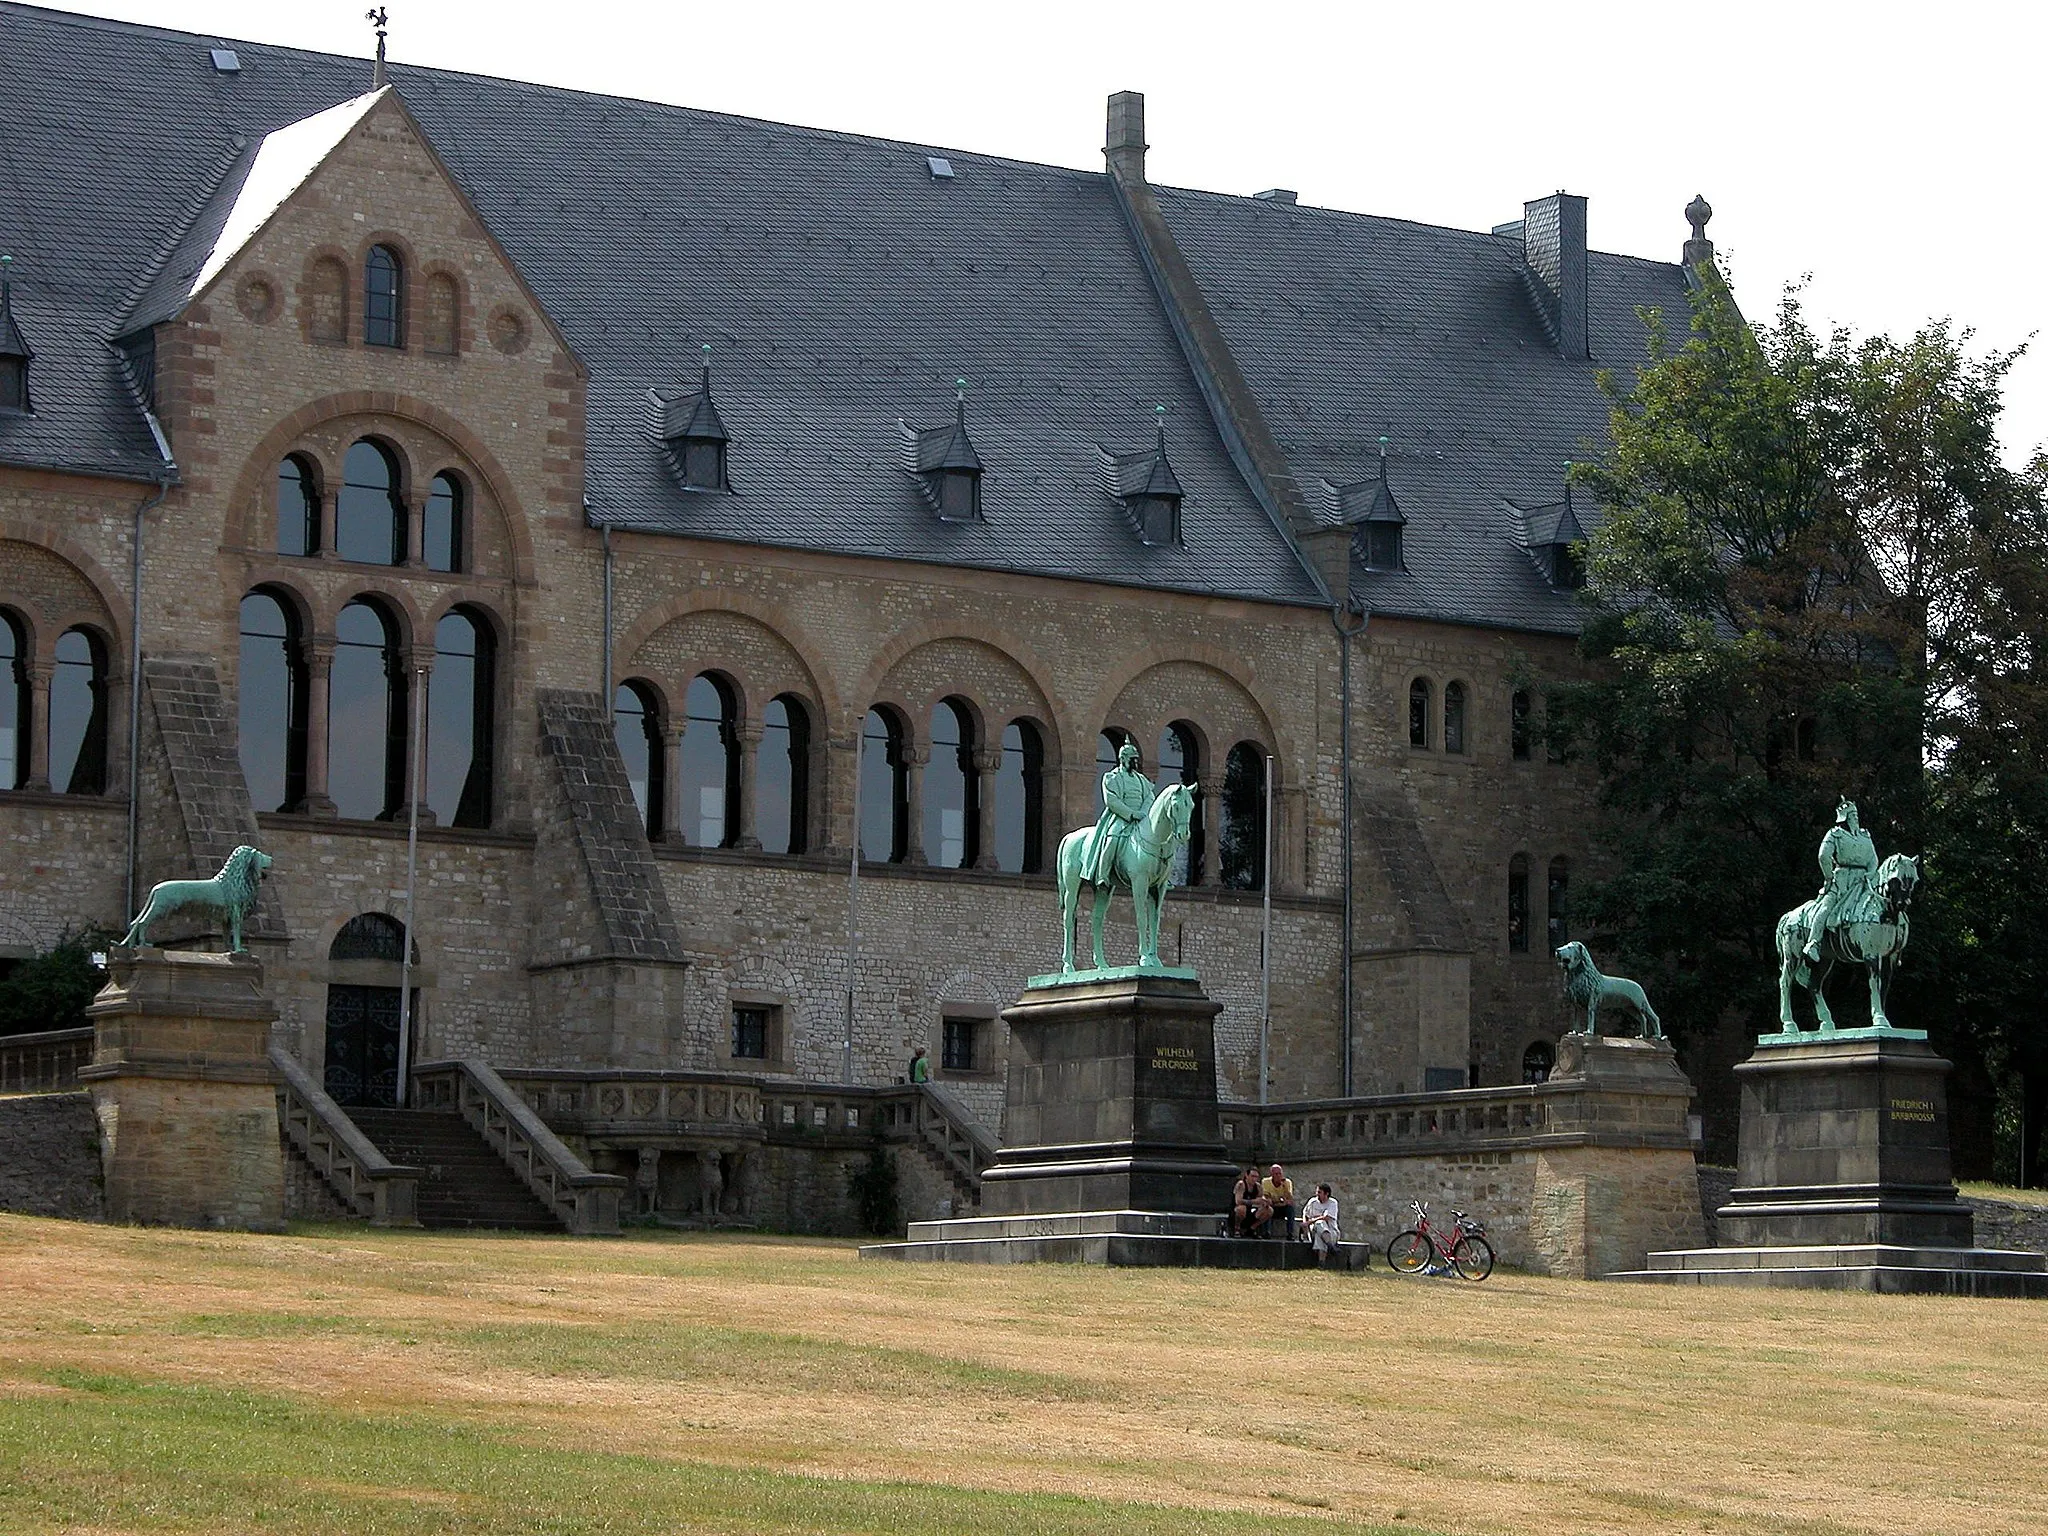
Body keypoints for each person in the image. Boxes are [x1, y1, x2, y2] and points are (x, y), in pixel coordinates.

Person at [1804, 797, 1879, 962]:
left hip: (1863, 882)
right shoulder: (1835, 834)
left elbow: (1873, 859)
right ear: (1844, 817)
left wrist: (1872, 872)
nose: (1856, 818)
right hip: (1842, 881)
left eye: (1856, 815)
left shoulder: (1865, 835)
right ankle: (1813, 942)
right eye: (1852, 815)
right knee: (1826, 907)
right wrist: (1829, 877)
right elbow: (1823, 856)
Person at [1084, 741, 1152, 887]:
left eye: (1136, 759)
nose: (1135, 762)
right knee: (1112, 840)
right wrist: (1131, 813)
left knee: (1158, 839)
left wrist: (1143, 812)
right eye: (1132, 759)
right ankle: (1103, 874)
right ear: (1123, 759)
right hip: (1121, 817)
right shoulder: (1112, 777)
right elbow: (1112, 800)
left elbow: (1149, 797)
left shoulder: (1141, 780)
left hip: (1141, 817)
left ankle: (1160, 876)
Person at [1299, 1182, 1341, 1265]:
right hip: (1313, 1230)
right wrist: (1305, 1223)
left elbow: (1326, 1217)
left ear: (1326, 1194)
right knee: (1319, 1224)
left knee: (1320, 1235)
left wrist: (1309, 1222)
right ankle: (1330, 1246)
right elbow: (1305, 1213)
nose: (1317, 1194)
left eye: (1319, 1192)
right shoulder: (1312, 1202)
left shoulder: (1333, 1203)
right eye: (1317, 1192)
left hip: (1331, 1232)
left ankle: (1321, 1263)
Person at [1260, 1163, 1296, 1240]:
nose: (1278, 1176)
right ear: (1272, 1174)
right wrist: (1280, 1201)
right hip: (1271, 1208)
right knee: (1267, 1207)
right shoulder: (1265, 1182)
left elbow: (1289, 1200)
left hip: (1281, 1208)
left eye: (1280, 1174)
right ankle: (1266, 1232)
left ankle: (1290, 1233)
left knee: (1290, 1208)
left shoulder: (1287, 1183)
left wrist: (1284, 1187)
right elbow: (1267, 1198)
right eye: (1276, 1174)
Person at [1231, 1164, 1268, 1237]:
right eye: (1252, 1176)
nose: (1254, 1179)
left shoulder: (1258, 1186)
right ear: (1246, 1176)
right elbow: (1238, 1201)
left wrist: (1265, 1202)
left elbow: (1260, 1199)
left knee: (1268, 1210)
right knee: (1242, 1208)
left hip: (1250, 1211)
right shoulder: (1241, 1184)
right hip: (1237, 1213)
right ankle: (1237, 1229)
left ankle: (1252, 1229)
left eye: (1256, 1177)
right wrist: (1254, 1201)